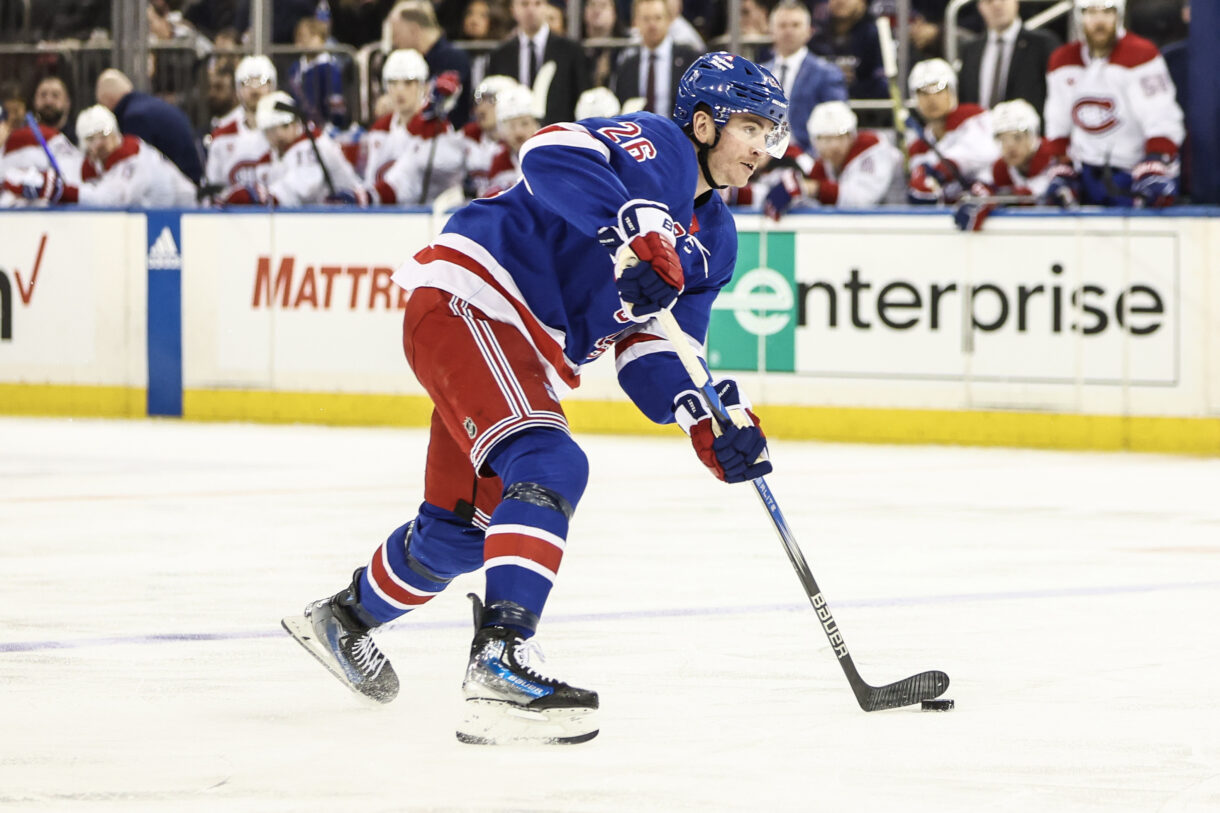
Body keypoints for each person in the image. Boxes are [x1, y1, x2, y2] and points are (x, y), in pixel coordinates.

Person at [281, 51, 785, 746]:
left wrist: (702, 416)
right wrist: (630, 225)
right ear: (703, 123)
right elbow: (546, 152)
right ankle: (503, 657)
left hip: (517, 344)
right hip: (475, 299)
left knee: (459, 534)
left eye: (771, 132)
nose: (763, 147)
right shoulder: (660, 148)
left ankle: (345, 618)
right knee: (549, 464)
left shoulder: (717, 241)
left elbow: (652, 352)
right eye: (751, 127)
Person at [1043, 0, 1184, 207]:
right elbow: (1057, 121)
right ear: (1080, 16)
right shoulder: (1062, 61)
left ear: (1118, 15)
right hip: (1086, 176)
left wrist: (1156, 160)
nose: (1099, 21)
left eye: (1107, 12)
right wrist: (1060, 163)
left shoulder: (1141, 55)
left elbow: (1162, 116)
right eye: (1091, 12)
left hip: (1134, 173)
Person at [3, 105, 196, 208]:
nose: (99, 143)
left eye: (103, 135)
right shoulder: (103, 162)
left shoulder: (132, 159)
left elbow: (108, 200)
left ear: (115, 132)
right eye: (90, 139)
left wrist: (62, 190)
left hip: (193, 218)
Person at [220, 91, 363, 206]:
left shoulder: (311, 145)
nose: (273, 136)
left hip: (348, 217)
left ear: (293, 124)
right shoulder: (281, 151)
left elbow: (303, 188)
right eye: (268, 131)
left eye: (275, 129)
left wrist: (263, 195)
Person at [953, 98, 1078, 230]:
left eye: (1017, 137)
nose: (1010, 147)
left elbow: (1065, 191)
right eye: (1002, 139)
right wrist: (978, 201)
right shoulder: (1001, 169)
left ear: (1033, 135)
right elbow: (983, 189)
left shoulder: (1056, 157)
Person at [763, 100, 902, 217]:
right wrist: (794, 190)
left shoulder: (872, 148)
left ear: (852, 136)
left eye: (841, 137)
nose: (834, 146)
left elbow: (862, 200)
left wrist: (812, 188)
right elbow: (811, 198)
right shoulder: (823, 164)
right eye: (826, 139)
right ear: (814, 141)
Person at [364, 53, 467, 205]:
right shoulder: (380, 128)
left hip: (424, 217)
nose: (399, 90)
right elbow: (370, 177)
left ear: (423, 86)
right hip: (382, 214)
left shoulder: (437, 127)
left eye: (408, 83)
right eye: (393, 83)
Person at [905, 58, 999, 204]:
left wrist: (942, 169)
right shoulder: (918, 145)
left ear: (952, 92)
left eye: (939, 89)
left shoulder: (974, 117)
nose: (931, 99)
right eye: (923, 92)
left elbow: (988, 151)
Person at [761, 1, 849, 153]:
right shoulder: (759, 73)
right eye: (782, 25)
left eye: (795, 25)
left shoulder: (826, 73)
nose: (788, 31)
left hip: (808, 156)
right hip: (762, 154)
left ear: (809, 31)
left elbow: (837, 122)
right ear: (771, 31)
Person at [486, 0, 590, 124]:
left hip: (558, 133)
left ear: (546, 7)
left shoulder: (570, 51)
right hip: (514, 135)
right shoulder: (500, 54)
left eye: (537, 3)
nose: (531, 10)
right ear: (513, 9)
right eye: (524, 4)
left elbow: (581, 97)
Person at [95, 68, 204, 186]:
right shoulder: (147, 105)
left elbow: (135, 165)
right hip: (190, 179)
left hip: (181, 188)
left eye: (101, 103)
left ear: (107, 99)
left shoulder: (134, 117)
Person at [957, 0, 1061, 113]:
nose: (996, 5)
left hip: (1030, 129)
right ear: (980, 7)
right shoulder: (971, 50)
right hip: (980, 128)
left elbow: (1057, 95)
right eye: (989, 1)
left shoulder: (1042, 44)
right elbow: (965, 99)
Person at [383, 0, 474, 128]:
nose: (394, 42)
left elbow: (444, 101)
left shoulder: (453, 58)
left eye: (396, 34)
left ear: (413, 30)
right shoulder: (412, 60)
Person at [610, 0, 699, 116]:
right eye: (646, 19)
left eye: (658, 18)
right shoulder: (627, 65)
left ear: (668, 20)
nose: (652, 25)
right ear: (635, 22)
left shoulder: (689, 59)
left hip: (677, 131)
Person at [206, 55, 276, 189]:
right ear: (238, 90)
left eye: (262, 82)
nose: (255, 90)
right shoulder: (222, 135)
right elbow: (214, 189)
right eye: (247, 82)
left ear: (272, 86)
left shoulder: (289, 130)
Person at [808, 0, 888, 100]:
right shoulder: (815, 38)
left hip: (865, 109)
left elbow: (882, 83)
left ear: (863, 3)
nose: (841, 1)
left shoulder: (875, 36)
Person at [477, 83, 542, 196]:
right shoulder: (498, 161)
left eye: (525, 124)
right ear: (502, 130)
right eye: (511, 126)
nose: (518, 132)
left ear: (536, 124)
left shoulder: (547, 157)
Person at [461, 75, 521, 197]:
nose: (480, 108)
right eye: (479, 100)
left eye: (490, 100)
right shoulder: (467, 136)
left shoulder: (520, 142)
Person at [31, 76, 75, 145]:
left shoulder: (78, 138)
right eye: (43, 95)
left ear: (67, 102)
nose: (49, 101)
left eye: (55, 95)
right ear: (34, 101)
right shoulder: (27, 138)